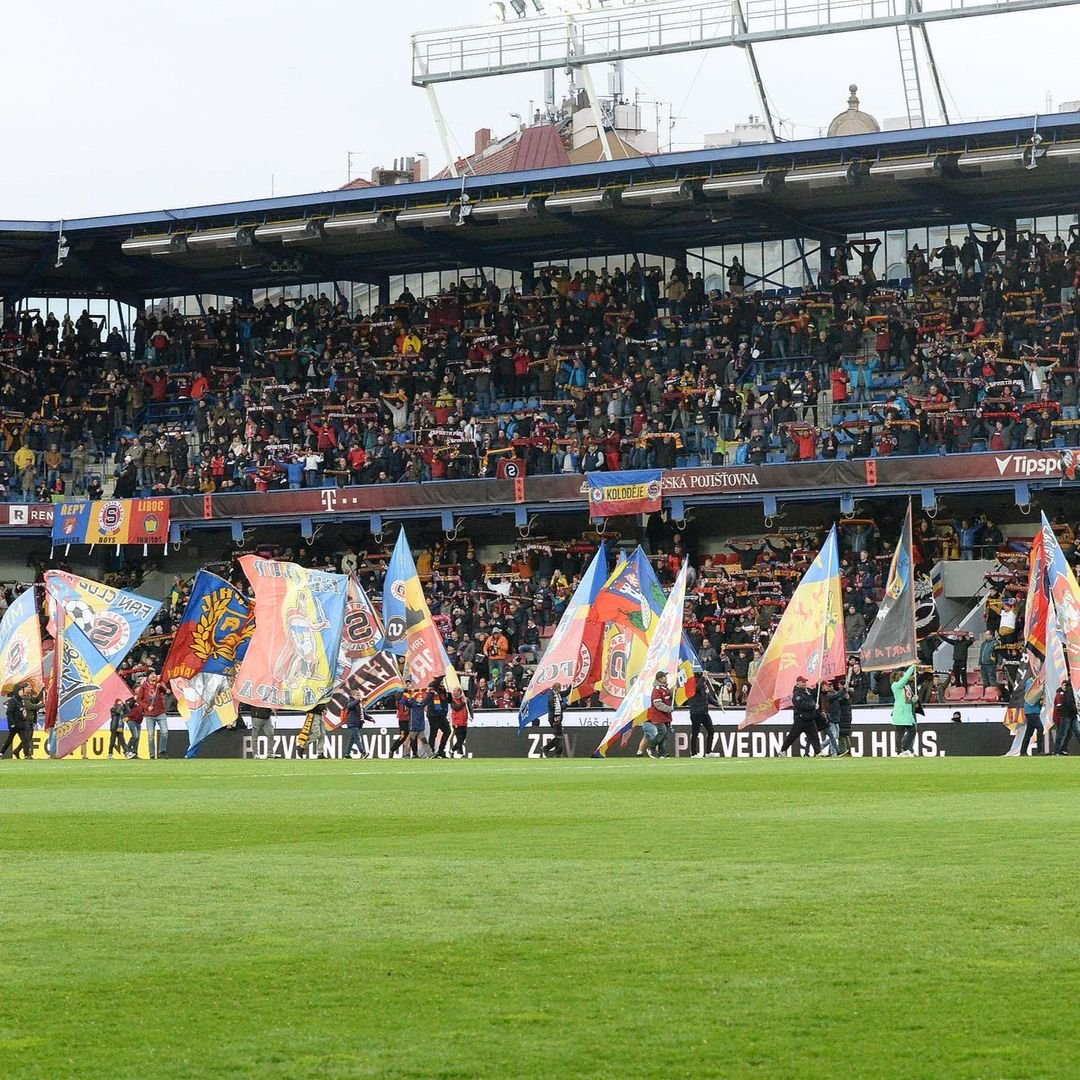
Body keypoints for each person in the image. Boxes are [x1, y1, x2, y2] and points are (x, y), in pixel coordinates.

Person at [780, 675, 822, 757]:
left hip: (809, 718)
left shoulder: (807, 691)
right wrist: (813, 706)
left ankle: (818, 752)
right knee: (792, 736)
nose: (805, 683)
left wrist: (818, 685)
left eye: (805, 682)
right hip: (801, 719)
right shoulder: (797, 694)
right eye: (803, 682)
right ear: (798, 682)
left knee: (814, 736)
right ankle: (783, 750)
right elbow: (802, 705)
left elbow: (815, 694)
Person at [640, 672, 673, 758]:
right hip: (658, 715)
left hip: (665, 716)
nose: (666, 678)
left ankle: (662, 753)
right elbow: (657, 704)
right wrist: (668, 709)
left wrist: (673, 691)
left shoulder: (665, 689)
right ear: (659, 679)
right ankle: (651, 747)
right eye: (664, 677)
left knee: (665, 735)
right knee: (662, 732)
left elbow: (669, 699)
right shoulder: (656, 690)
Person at [137, 672, 168, 759]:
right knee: (151, 735)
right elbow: (139, 699)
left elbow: (166, 691)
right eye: (151, 674)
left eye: (155, 673)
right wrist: (146, 707)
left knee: (165, 732)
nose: (154, 675)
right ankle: (152, 754)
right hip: (149, 715)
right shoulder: (144, 686)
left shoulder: (159, 683)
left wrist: (160, 686)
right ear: (148, 676)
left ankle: (162, 751)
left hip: (161, 712)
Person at [890, 664, 917, 756]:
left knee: (912, 731)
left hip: (907, 712)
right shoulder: (896, 686)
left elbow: (908, 700)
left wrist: (914, 700)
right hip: (900, 712)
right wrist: (912, 667)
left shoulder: (906, 687)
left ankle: (904, 747)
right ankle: (899, 751)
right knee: (899, 732)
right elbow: (906, 678)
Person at [687, 674, 716, 757]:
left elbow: (709, 697)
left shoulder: (704, 685)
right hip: (696, 712)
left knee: (711, 730)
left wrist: (717, 703)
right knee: (695, 733)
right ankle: (694, 753)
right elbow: (697, 688)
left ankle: (708, 752)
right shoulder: (693, 683)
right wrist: (703, 677)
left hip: (704, 712)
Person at [1, 683, 29, 759]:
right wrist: (12, 723)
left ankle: (27, 755)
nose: (21, 692)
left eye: (21, 690)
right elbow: (9, 713)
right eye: (20, 690)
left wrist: (24, 720)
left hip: (21, 724)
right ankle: (1, 753)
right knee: (9, 740)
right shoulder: (13, 701)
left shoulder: (22, 700)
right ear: (16, 691)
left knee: (25, 740)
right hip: (14, 725)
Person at [1052, 682, 1079, 755]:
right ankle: (1058, 751)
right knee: (1063, 733)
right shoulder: (1067, 692)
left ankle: (1060, 750)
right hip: (1066, 715)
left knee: (1070, 733)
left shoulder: (1070, 691)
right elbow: (1067, 704)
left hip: (1071, 715)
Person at [1020, 676, 1044, 756]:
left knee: (1029, 732)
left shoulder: (1034, 682)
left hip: (1033, 711)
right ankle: (1040, 751)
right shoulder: (1030, 683)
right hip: (1031, 711)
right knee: (1040, 728)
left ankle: (1023, 751)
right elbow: (1031, 696)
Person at [426, 679, 450, 758]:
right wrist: (441, 676)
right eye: (441, 681)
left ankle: (441, 751)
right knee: (433, 733)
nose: (442, 683)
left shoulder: (443, 690)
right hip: (433, 715)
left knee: (447, 731)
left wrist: (449, 696)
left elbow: (446, 701)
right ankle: (431, 752)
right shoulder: (432, 688)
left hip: (442, 715)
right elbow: (434, 684)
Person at [543, 684, 567, 758]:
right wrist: (565, 705)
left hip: (557, 717)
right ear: (558, 688)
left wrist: (572, 686)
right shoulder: (552, 695)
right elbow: (555, 706)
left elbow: (566, 692)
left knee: (558, 735)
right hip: (554, 718)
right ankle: (551, 750)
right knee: (558, 735)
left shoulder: (557, 695)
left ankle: (555, 752)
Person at [449, 686, 471, 758]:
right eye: (454, 691)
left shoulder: (465, 699)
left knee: (462, 738)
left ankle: (456, 751)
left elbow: (470, 708)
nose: (454, 692)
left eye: (456, 691)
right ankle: (454, 751)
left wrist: (471, 716)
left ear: (460, 692)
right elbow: (456, 708)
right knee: (460, 739)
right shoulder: (453, 700)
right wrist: (463, 704)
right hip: (456, 722)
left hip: (464, 722)